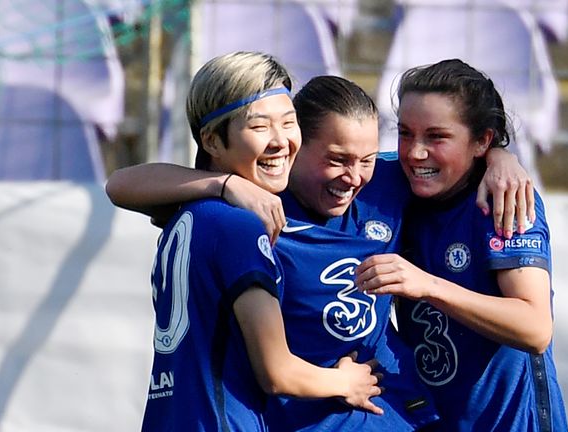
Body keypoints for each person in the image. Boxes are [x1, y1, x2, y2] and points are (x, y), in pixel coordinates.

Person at [106, 64, 536, 430]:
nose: (353, 176)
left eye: (366, 159)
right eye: (336, 159)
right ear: (296, 150)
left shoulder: (383, 186)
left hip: (395, 412)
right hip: (302, 415)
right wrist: (227, 184)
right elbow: (122, 184)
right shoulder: (252, 208)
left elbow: (442, 158)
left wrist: (499, 157)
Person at [130, 51, 384, 432]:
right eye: (260, 126)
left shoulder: (185, 209)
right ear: (212, 141)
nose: (280, 142)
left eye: (288, 122)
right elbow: (276, 372)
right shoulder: (241, 227)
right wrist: (347, 382)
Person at [355, 59, 568, 431]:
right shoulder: (389, 182)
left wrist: (428, 285)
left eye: (436, 137)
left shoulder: (505, 199)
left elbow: (535, 328)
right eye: (405, 133)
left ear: (482, 141)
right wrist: (221, 184)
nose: (415, 153)